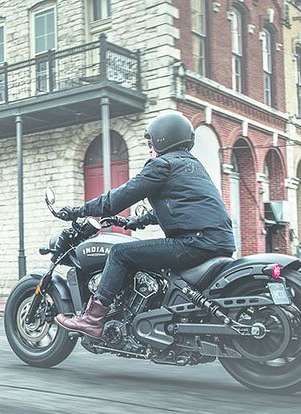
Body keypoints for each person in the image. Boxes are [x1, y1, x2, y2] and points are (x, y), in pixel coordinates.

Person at [53, 111, 237, 339]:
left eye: (151, 143)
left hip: (193, 243)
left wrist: (77, 211)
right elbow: (179, 207)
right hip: (220, 242)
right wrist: (132, 221)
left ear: (162, 139)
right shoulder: (193, 167)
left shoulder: (162, 165)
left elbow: (117, 199)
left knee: (120, 253)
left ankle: (92, 319)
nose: (150, 148)